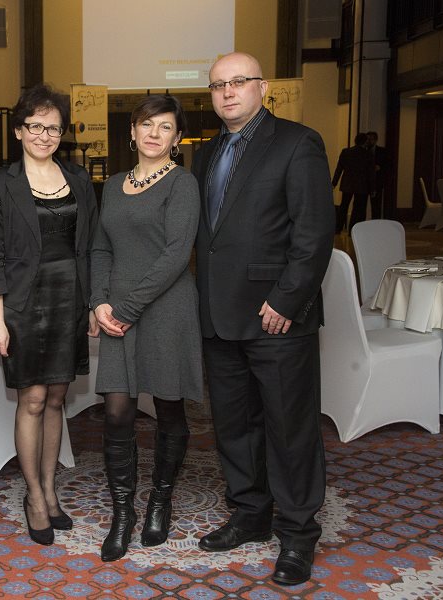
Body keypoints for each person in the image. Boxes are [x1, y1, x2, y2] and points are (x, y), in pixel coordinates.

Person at [192, 52, 333, 586]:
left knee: (290, 429)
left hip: (277, 316)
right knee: (235, 426)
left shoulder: (298, 143)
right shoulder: (206, 154)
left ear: (263, 87)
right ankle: (250, 513)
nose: (228, 92)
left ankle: (297, 533)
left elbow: (314, 233)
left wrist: (287, 301)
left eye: (239, 82)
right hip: (218, 314)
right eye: (218, 86)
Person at [0, 84, 99, 546]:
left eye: (53, 128)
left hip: (70, 299)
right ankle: (33, 495)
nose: (44, 135)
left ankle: (50, 488)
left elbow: (91, 247)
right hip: (24, 305)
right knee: (31, 399)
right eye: (35, 126)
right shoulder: (0, 183)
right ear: (18, 130)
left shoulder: (80, 179)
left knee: (56, 399)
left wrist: (94, 302)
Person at [90, 94, 203, 562]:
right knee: (117, 412)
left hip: (166, 308)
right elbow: (101, 248)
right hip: (117, 312)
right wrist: (99, 301)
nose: (154, 133)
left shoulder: (183, 184)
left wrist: (127, 308)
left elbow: (177, 254)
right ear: (132, 131)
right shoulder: (114, 185)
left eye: (165, 127)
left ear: (177, 138)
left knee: (169, 408)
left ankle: (160, 499)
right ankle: (123, 514)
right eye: (146, 124)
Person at [332, 132, 375, 233]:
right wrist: (372, 188)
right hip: (362, 185)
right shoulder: (368, 154)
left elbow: (339, 168)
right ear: (365, 142)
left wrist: (334, 182)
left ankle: (338, 227)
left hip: (347, 183)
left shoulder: (346, 152)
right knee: (358, 209)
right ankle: (354, 230)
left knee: (344, 206)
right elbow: (371, 173)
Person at [366, 131, 388, 219]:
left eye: (371, 139)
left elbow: (388, 165)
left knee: (376, 206)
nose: (369, 141)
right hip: (364, 181)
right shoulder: (364, 151)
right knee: (361, 206)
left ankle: (376, 222)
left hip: (377, 181)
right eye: (367, 139)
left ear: (375, 140)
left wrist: (380, 167)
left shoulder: (382, 151)